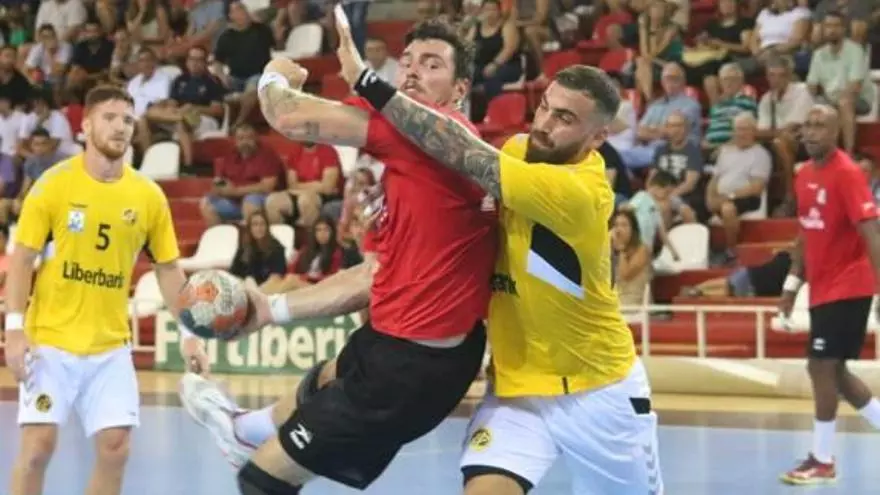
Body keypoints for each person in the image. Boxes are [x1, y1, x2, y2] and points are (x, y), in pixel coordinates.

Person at [331, 28, 661, 491]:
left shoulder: (580, 193)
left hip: (597, 392)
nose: (545, 123)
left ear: (598, 137)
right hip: (516, 391)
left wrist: (369, 83)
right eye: (545, 106)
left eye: (565, 118)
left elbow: (460, 151)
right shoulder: (519, 149)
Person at [178, 20, 497, 493]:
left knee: (261, 481)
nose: (412, 72)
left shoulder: (419, 134)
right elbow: (372, 276)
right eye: (408, 61)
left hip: (413, 368)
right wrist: (270, 309)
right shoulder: (414, 169)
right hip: (402, 347)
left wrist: (274, 73)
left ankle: (249, 439)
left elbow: (289, 116)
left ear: (459, 90)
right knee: (331, 375)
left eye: (432, 65)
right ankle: (246, 429)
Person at [4, 85, 209, 495]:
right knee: (37, 449)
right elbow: (23, 259)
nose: (120, 127)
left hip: (110, 347)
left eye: (128, 120)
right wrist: (14, 329)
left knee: (116, 448)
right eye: (110, 118)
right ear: (86, 125)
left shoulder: (148, 196)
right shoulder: (53, 185)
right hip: (51, 343)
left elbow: (168, 269)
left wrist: (190, 333)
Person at [779, 105, 880, 485]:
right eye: (808, 125)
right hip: (821, 287)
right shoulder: (804, 174)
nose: (811, 132)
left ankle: (822, 459)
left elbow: (871, 234)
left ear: (837, 132)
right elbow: (805, 233)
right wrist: (792, 284)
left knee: (820, 366)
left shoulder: (848, 174)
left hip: (850, 284)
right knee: (835, 371)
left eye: (820, 126)